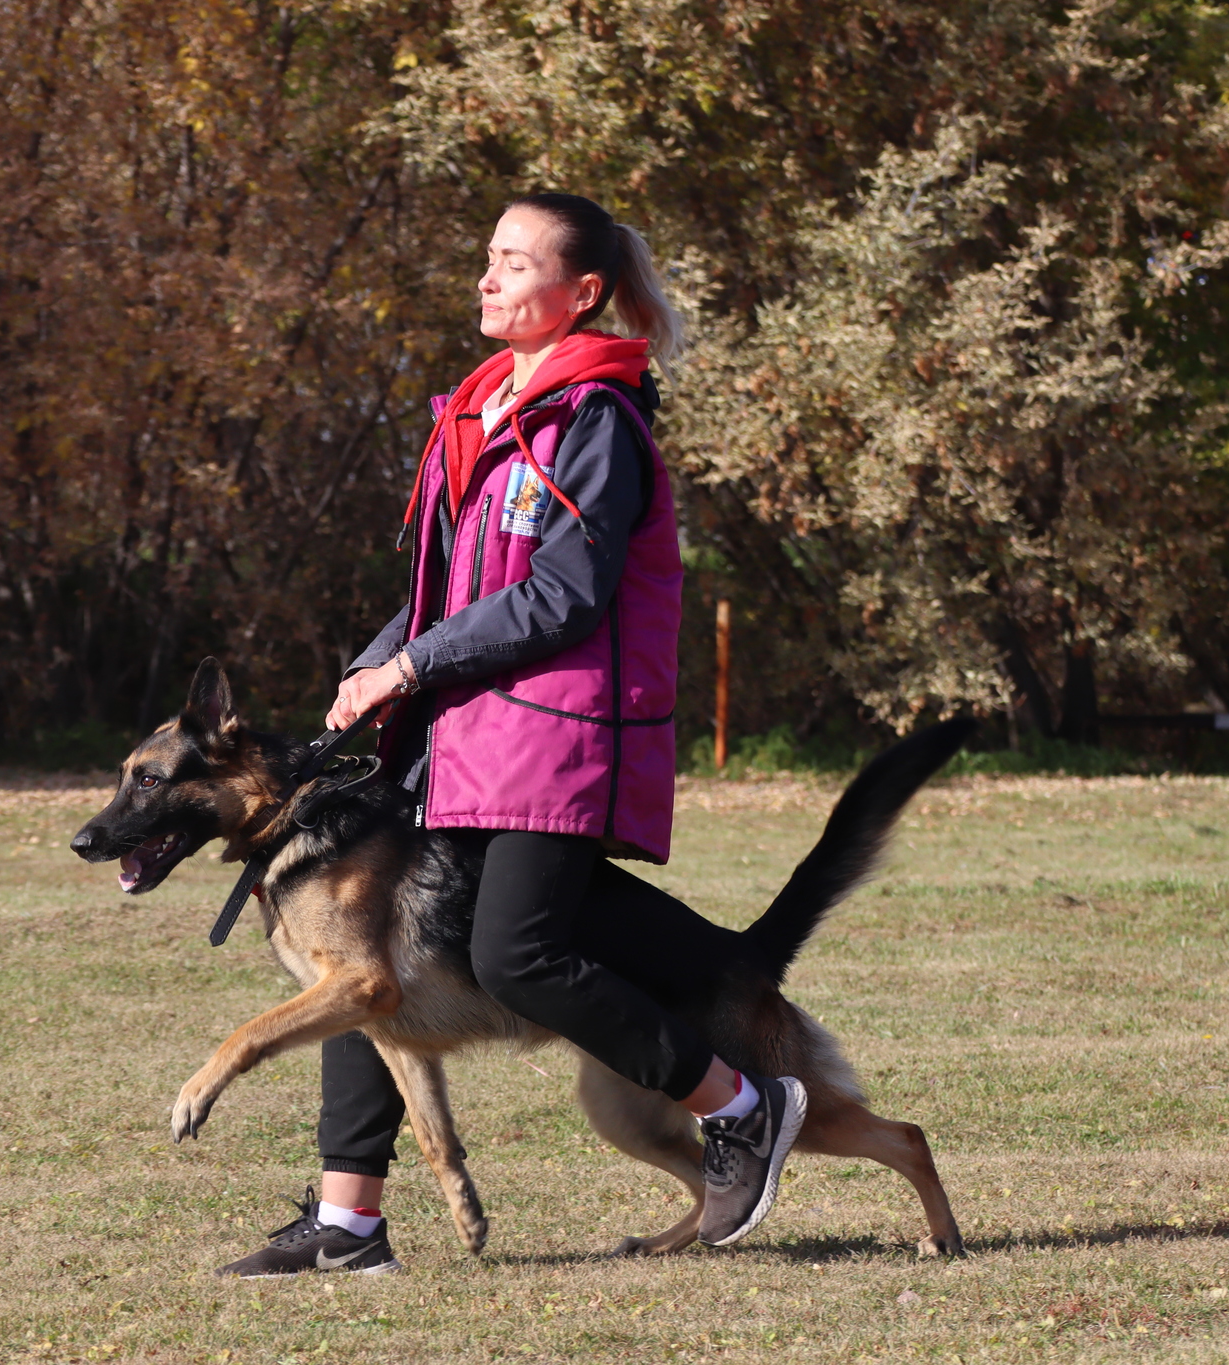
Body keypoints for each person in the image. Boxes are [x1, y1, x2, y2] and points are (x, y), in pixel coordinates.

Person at [215, 193, 804, 1278]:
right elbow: (443, 587)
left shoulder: (597, 423)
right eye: (486, 256)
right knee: (370, 954)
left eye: (513, 262)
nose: (487, 277)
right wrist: (377, 658)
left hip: (554, 739)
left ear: (580, 294)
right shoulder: (480, 411)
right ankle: (347, 1224)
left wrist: (413, 665)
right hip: (462, 738)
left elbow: (564, 595)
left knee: (516, 954)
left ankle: (744, 1105)